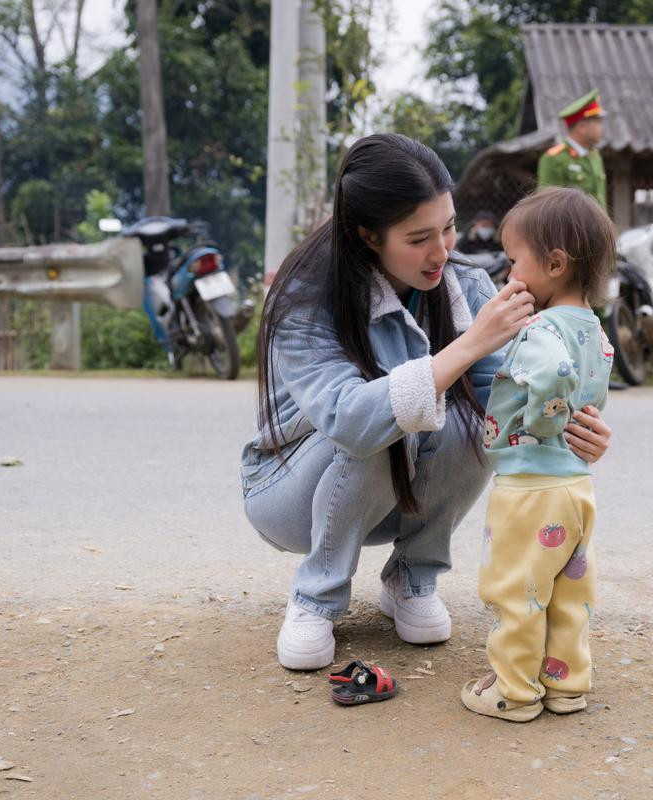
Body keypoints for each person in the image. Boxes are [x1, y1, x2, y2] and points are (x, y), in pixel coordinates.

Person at [241, 134, 612, 671]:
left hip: (395, 495)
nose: (441, 251)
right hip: (291, 493)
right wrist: (469, 345)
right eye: (418, 238)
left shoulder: (466, 284)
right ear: (369, 235)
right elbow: (351, 422)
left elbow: (507, 408)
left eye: (448, 227)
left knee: (470, 422)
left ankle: (412, 579)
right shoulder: (307, 300)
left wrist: (576, 431)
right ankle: (315, 599)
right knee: (384, 423)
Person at [460, 187, 618, 722]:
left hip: (529, 488)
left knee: (517, 590)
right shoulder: (596, 331)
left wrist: (541, 419)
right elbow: (591, 397)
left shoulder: (541, 329)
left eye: (513, 262)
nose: (509, 277)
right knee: (567, 593)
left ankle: (514, 692)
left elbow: (553, 375)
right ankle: (567, 684)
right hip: (575, 488)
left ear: (554, 263)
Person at [537, 89, 608, 210]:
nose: (602, 127)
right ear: (582, 127)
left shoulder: (595, 156)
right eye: (597, 122)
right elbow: (547, 208)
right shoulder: (554, 159)